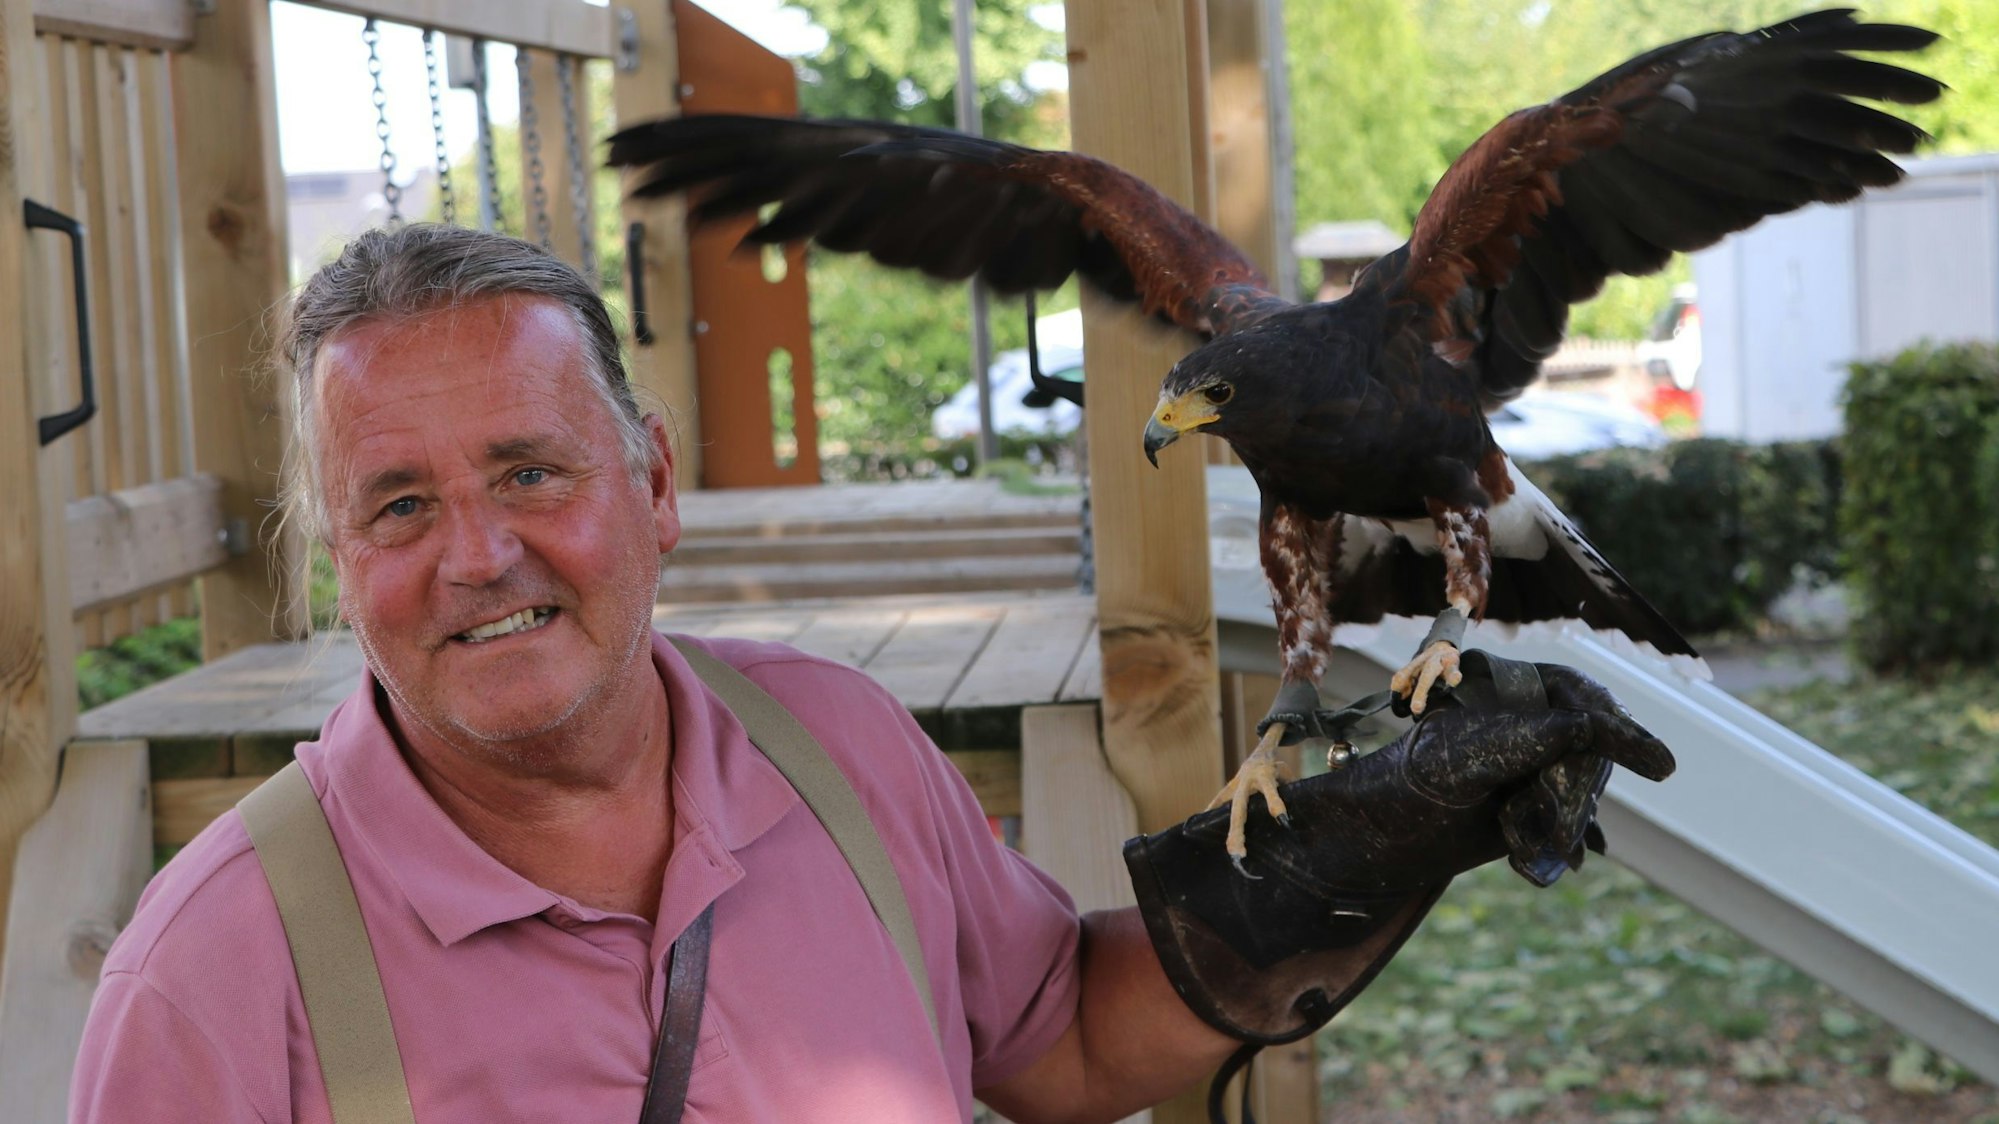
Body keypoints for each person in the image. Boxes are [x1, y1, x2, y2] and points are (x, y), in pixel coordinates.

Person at [70, 225, 1671, 1124]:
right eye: (400, 506)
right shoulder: (216, 978)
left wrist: (1374, 843)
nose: (477, 554)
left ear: (657, 484)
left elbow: (1064, 1039)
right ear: (336, 558)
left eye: (531, 473)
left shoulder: (834, 748)